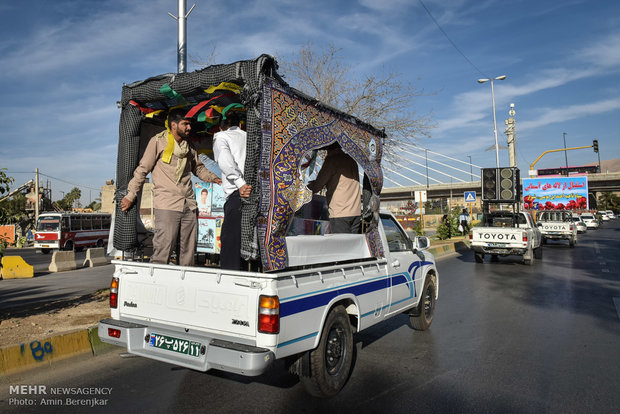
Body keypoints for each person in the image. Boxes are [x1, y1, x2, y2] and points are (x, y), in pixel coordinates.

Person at [121, 108, 222, 266]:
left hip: (189, 204)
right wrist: (130, 195)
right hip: (167, 204)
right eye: (185, 124)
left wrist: (214, 178)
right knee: (163, 249)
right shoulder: (158, 141)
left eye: (189, 124)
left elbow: (198, 168)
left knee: (188, 251)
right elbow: (142, 170)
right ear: (174, 125)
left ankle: (185, 284)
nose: (189, 128)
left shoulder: (189, 146)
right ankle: (157, 285)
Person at [213, 110, 251, 270]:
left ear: (221, 128)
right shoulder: (249, 137)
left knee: (231, 248)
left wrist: (239, 182)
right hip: (254, 195)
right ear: (240, 124)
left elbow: (225, 159)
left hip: (238, 195)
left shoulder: (221, 137)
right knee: (247, 246)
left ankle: (232, 286)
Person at [307, 144, 361, 234]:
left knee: (341, 246)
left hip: (340, 213)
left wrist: (304, 188)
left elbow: (317, 186)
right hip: (356, 212)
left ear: (327, 148)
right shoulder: (351, 159)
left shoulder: (332, 160)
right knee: (352, 246)